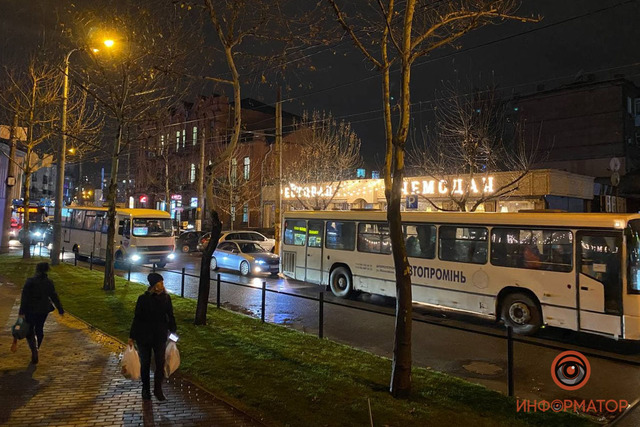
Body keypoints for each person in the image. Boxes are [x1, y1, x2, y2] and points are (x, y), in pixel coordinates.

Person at [129, 273, 177, 401]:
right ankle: (145, 389)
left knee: (160, 363)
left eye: (162, 282)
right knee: (145, 363)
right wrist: (131, 336)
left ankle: (158, 389)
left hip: (159, 336)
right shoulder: (143, 299)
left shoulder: (166, 298)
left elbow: (170, 316)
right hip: (144, 336)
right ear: (154, 285)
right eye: (160, 282)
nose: (162, 285)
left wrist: (173, 333)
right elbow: (137, 318)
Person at [18, 262, 64, 364]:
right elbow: (54, 296)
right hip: (43, 309)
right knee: (39, 328)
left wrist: (21, 311)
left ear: (37, 269)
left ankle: (34, 349)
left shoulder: (30, 281)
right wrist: (60, 309)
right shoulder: (49, 282)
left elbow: (24, 297)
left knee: (30, 330)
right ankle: (38, 346)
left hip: (31, 309)